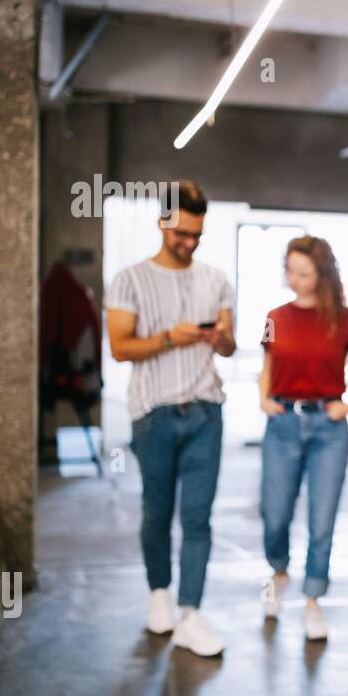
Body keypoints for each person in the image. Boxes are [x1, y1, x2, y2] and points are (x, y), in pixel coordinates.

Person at [107, 181, 236, 658]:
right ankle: (158, 592)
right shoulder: (129, 280)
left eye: (196, 234)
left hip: (205, 410)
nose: (189, 242)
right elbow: (120, 348)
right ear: (162, 222)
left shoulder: (217, 279)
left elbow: (230, 345)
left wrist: (219, 338)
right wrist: (169, 339)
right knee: (157, 512)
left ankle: (191, 614)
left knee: (198, 518)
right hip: (153, 414)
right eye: (181, 232)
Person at [259, 235, 348, 641]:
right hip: (282, 426)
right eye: (290, 270)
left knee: (321, 520)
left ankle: (312, 600)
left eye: (304, 273)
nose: (295, 279)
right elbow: (268, 364)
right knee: (274, 513)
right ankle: (277, 572)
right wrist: (263, 398)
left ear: (322, 274)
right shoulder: (275, 315)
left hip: (329, 428)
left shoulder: (342, 318)